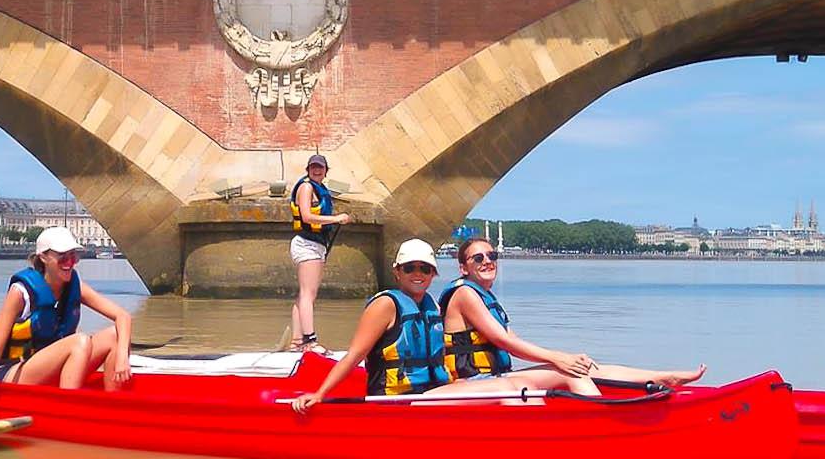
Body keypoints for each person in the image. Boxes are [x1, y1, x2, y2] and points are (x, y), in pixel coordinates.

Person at [290, 239, 592, 414]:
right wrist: (320, 393)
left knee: (518, 384)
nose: (418, 273)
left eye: (425, 269)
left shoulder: (432, 307)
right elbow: (355, 355)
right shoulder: (386, 305)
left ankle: (571, 425)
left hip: (434, 394)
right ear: (397, 271)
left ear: (434, 273)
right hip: (397, 402)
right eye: (410, 268)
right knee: (511, 386)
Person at [441, 238, 706, 388]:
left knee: (584, 365)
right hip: (472, 382)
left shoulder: (486, 298)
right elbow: (504, 343)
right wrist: (559, 360)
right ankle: (604, 430)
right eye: (478, 258)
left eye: (491, 255)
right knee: (572, 372)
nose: (487, 261)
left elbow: (515, 344)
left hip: (492, 377)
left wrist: (563, 358)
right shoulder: (465, 294)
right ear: (463, 267)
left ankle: (660, 378)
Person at [0, 226, 134, 420]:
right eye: (62, 257)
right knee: (80, 341)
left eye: (73, 257)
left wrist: (122, 355)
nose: (69, 263)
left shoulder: (74, 286)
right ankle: (67, 414)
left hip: (51, 368)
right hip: (15, 372)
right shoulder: (20, 293)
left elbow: (123, 316)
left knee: (115, 335)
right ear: (44, 258)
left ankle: (112, 408)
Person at [288, 153, 351, 354]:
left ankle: (296, 342)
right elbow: (306, 216)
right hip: (307, 244)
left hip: (315, 245)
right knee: (308, 294)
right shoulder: (306, 187)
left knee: (304, 295)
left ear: (325, 171)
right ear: (308, 169)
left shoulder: (320, 188)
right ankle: (309, 341)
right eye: (313, 167)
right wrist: (336, 218)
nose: (317, 170)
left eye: (320, 168)